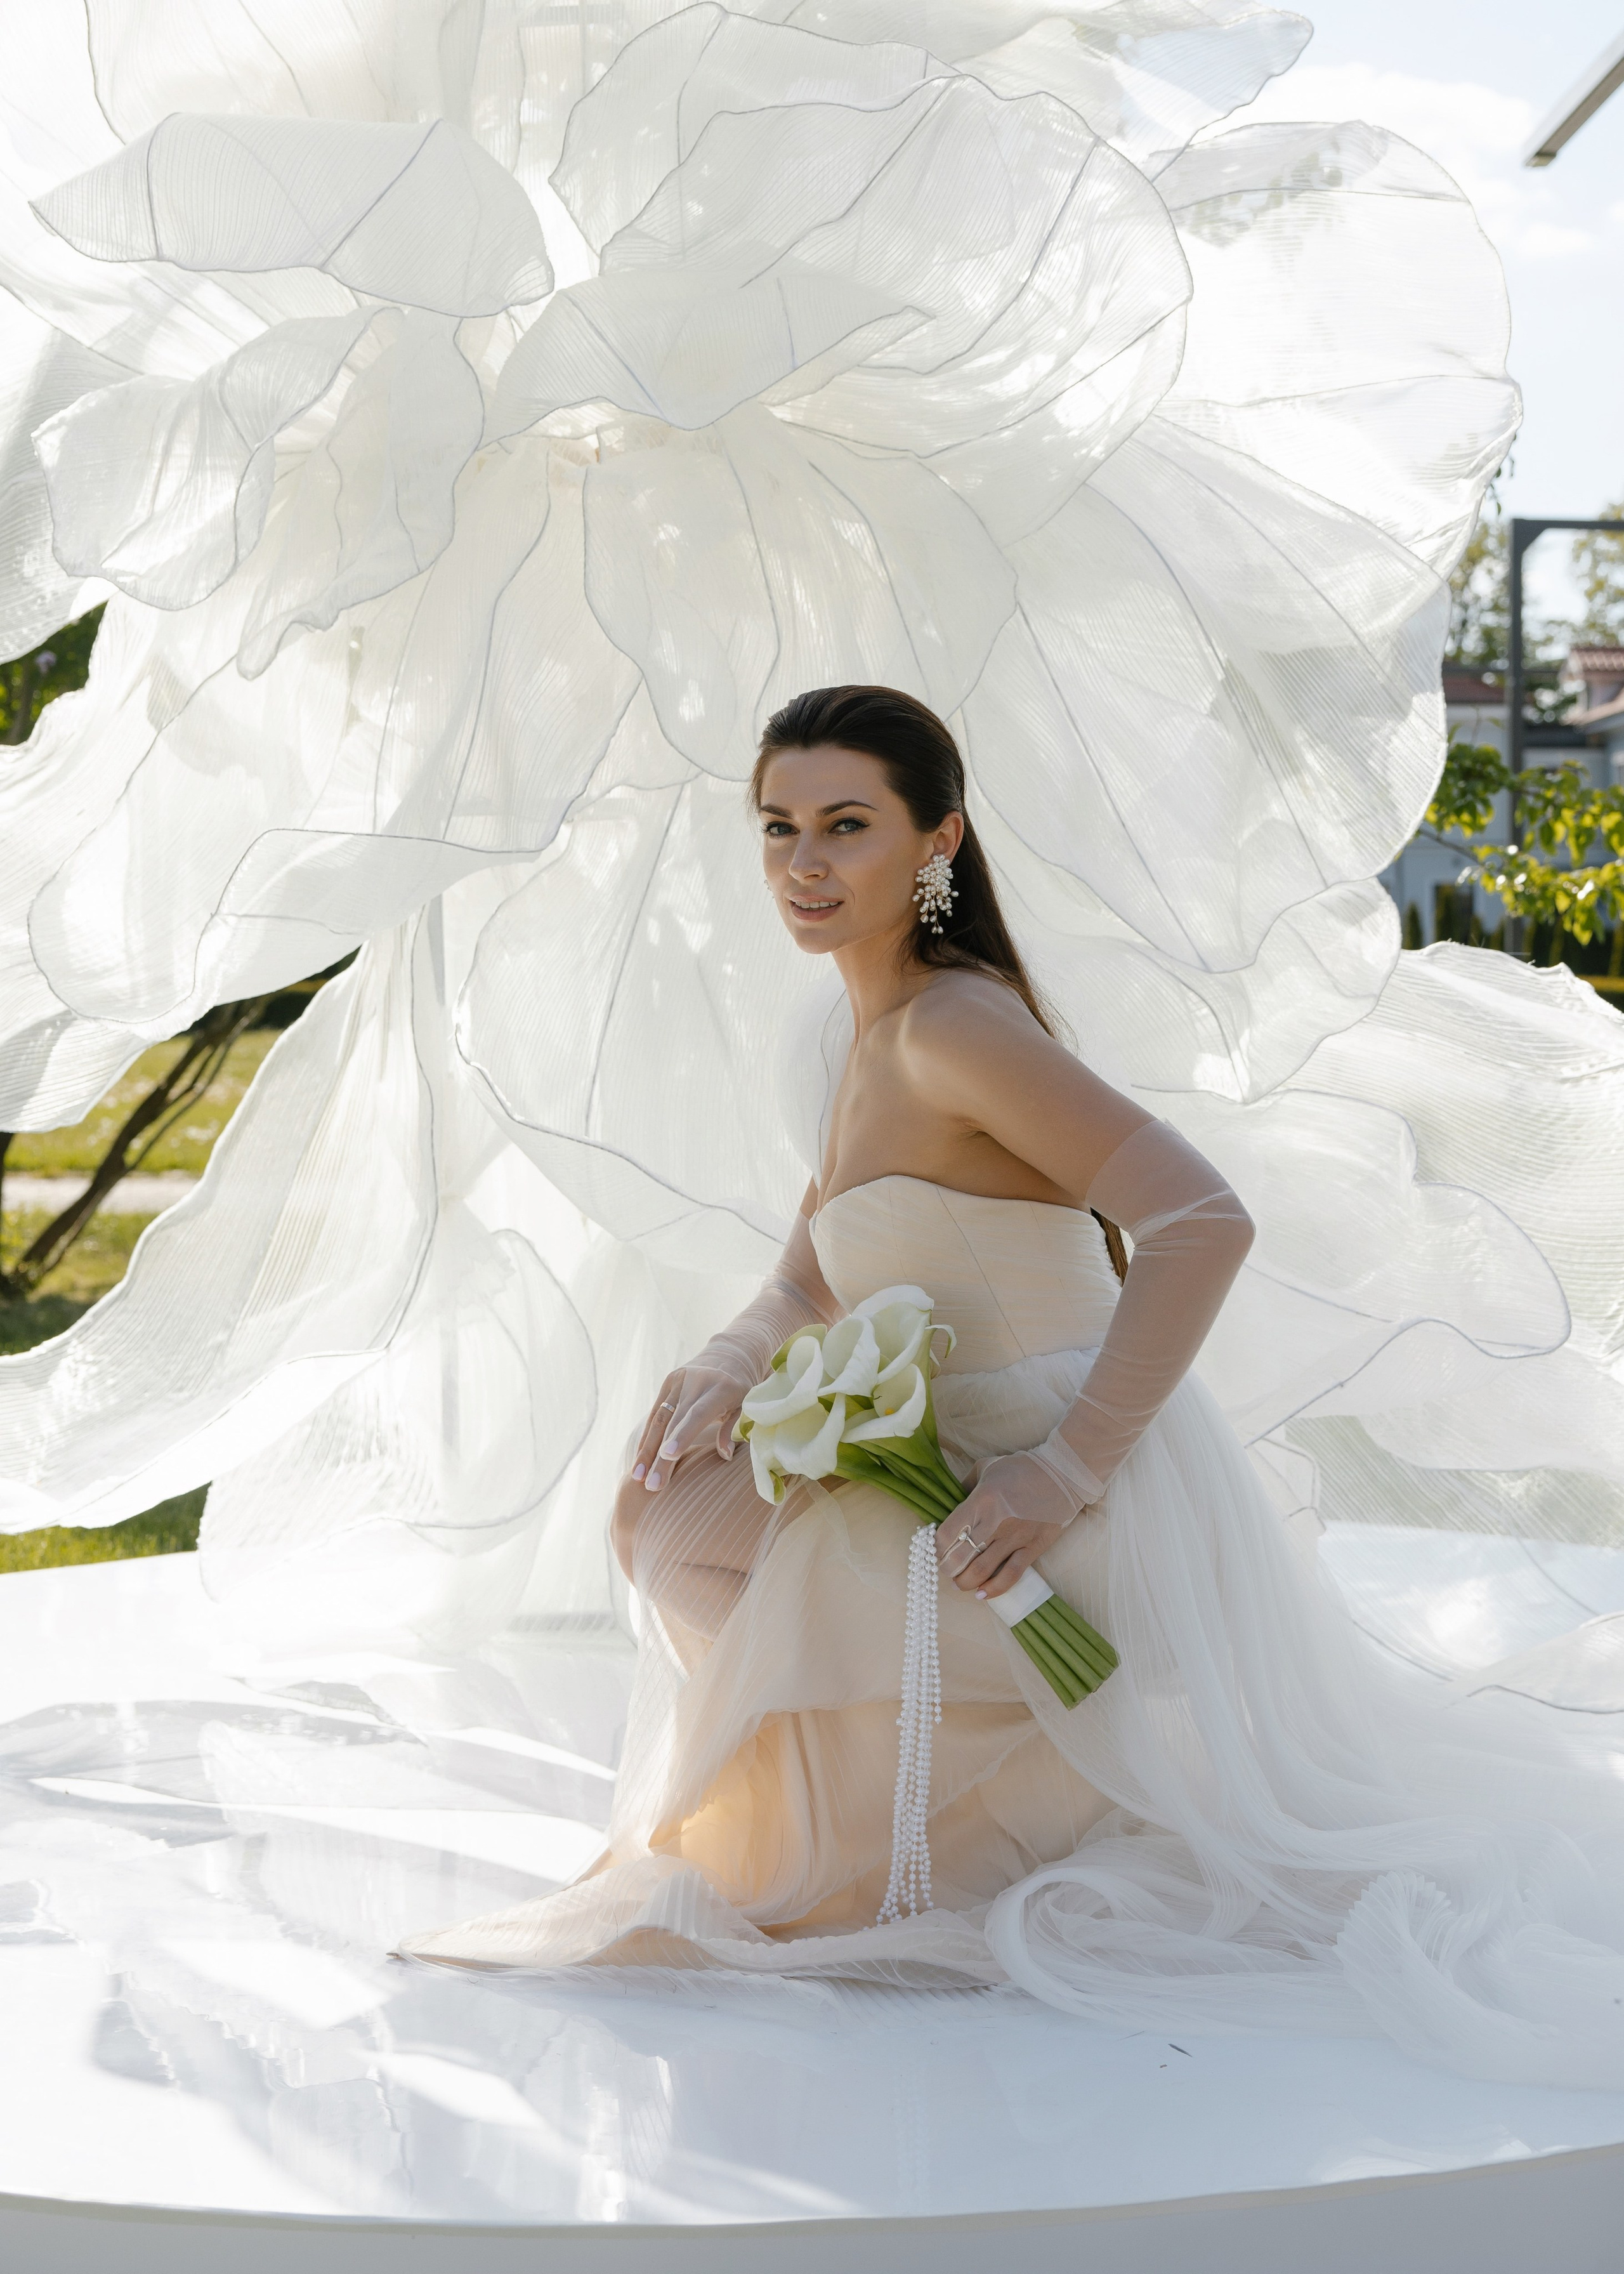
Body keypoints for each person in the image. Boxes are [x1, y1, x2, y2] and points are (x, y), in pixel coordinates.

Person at [403, 687, 1624, 2092]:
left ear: (937, 841)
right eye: (779, 828)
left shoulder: (953, 1028)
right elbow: (810, 1266)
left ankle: (986, 1831)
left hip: (1046, 1467)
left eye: (846, 826)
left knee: (696, 1545)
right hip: (951, 1442)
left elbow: (1200, 1221)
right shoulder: (853, 1034)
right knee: (669, 1510)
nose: (804, 863)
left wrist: (1064, 1470)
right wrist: (730, 1362)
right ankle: (931, 1825)